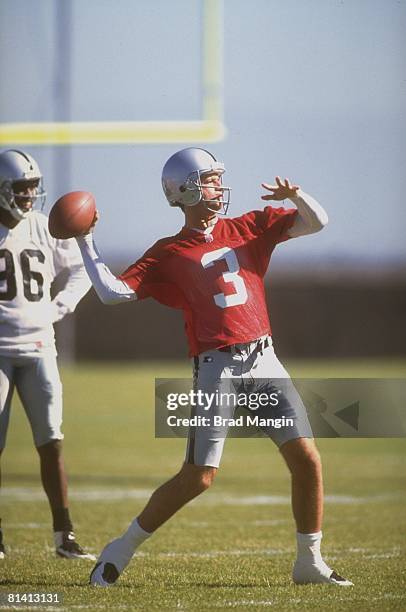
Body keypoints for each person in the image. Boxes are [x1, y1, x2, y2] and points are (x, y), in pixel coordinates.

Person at [76, 147, 352, 586]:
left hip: (264, 358)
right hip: (217, 366)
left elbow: (317, 222)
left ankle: (310, 562)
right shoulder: (169, 252)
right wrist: (84, 241)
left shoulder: (247, 227)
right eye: (209, 180)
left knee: (307, 460)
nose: (218, 186)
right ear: (185, 191)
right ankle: (119, 550)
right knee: (199, 477)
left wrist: (297, 195)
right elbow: (113, 293)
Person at [0, 149, 95, 560]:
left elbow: (79, 271)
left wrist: (60, 307)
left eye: (33, 189)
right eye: (21, 189)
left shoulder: (44, 226)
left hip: (40, 346)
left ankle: (64, 535)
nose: (28, 196)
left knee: (51, 442)